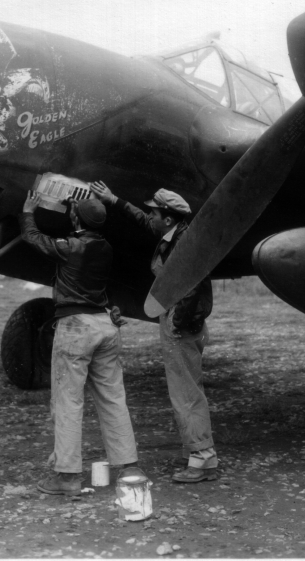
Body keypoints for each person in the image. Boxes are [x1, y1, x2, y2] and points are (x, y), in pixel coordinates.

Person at [19, 191, 146, 496]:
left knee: (68, 402)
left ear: (76, 219)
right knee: (113, 398)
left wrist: (28, 210)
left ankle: (68, 477)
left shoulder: (71, 247)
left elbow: (33, 238)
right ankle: (129, 467)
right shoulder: (106, 248)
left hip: (76, 327)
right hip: (105, 325)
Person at [89, 182, 217, 483]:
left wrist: (176, 322)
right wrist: (115, 199)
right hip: (179, 321)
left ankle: (202, 458)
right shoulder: (175, 232)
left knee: (185, 394)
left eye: (154, 213)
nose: (151, 217)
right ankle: (200, 455)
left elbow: (192, 287)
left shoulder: (185, 245)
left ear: (168, 219)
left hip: (182, 325)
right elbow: (142, 221)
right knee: (186, 391)